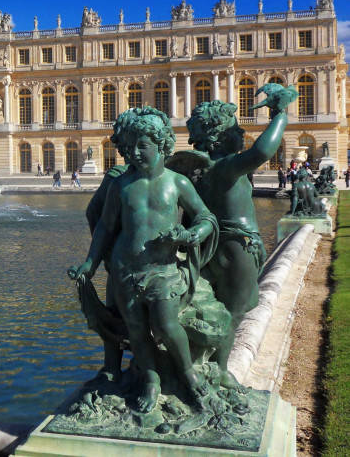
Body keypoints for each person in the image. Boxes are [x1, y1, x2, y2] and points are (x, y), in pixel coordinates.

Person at [69, 107, 217, 412]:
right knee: (135, 330)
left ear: (161, 145)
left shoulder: (178, 183)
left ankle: (187, 372)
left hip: (162, 270)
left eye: (143, 146)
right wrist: (89, 264)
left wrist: (191, 235)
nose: (134, 153)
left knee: (166, 325)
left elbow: (205, 217)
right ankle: (151, 381)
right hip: (126, 271)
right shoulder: (122, 185)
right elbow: (106, 229)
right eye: (131, 146)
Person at [171, 84, 297, 390]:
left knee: (215, 306)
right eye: (235, 128)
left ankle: (197, 364)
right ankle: (221, 370)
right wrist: (280, 114)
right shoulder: (225, 168)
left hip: (211, 245)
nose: (242, 131)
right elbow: (263, 151)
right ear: (219, 136)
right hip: (236, 247)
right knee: (236, 310)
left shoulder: (198, 171)